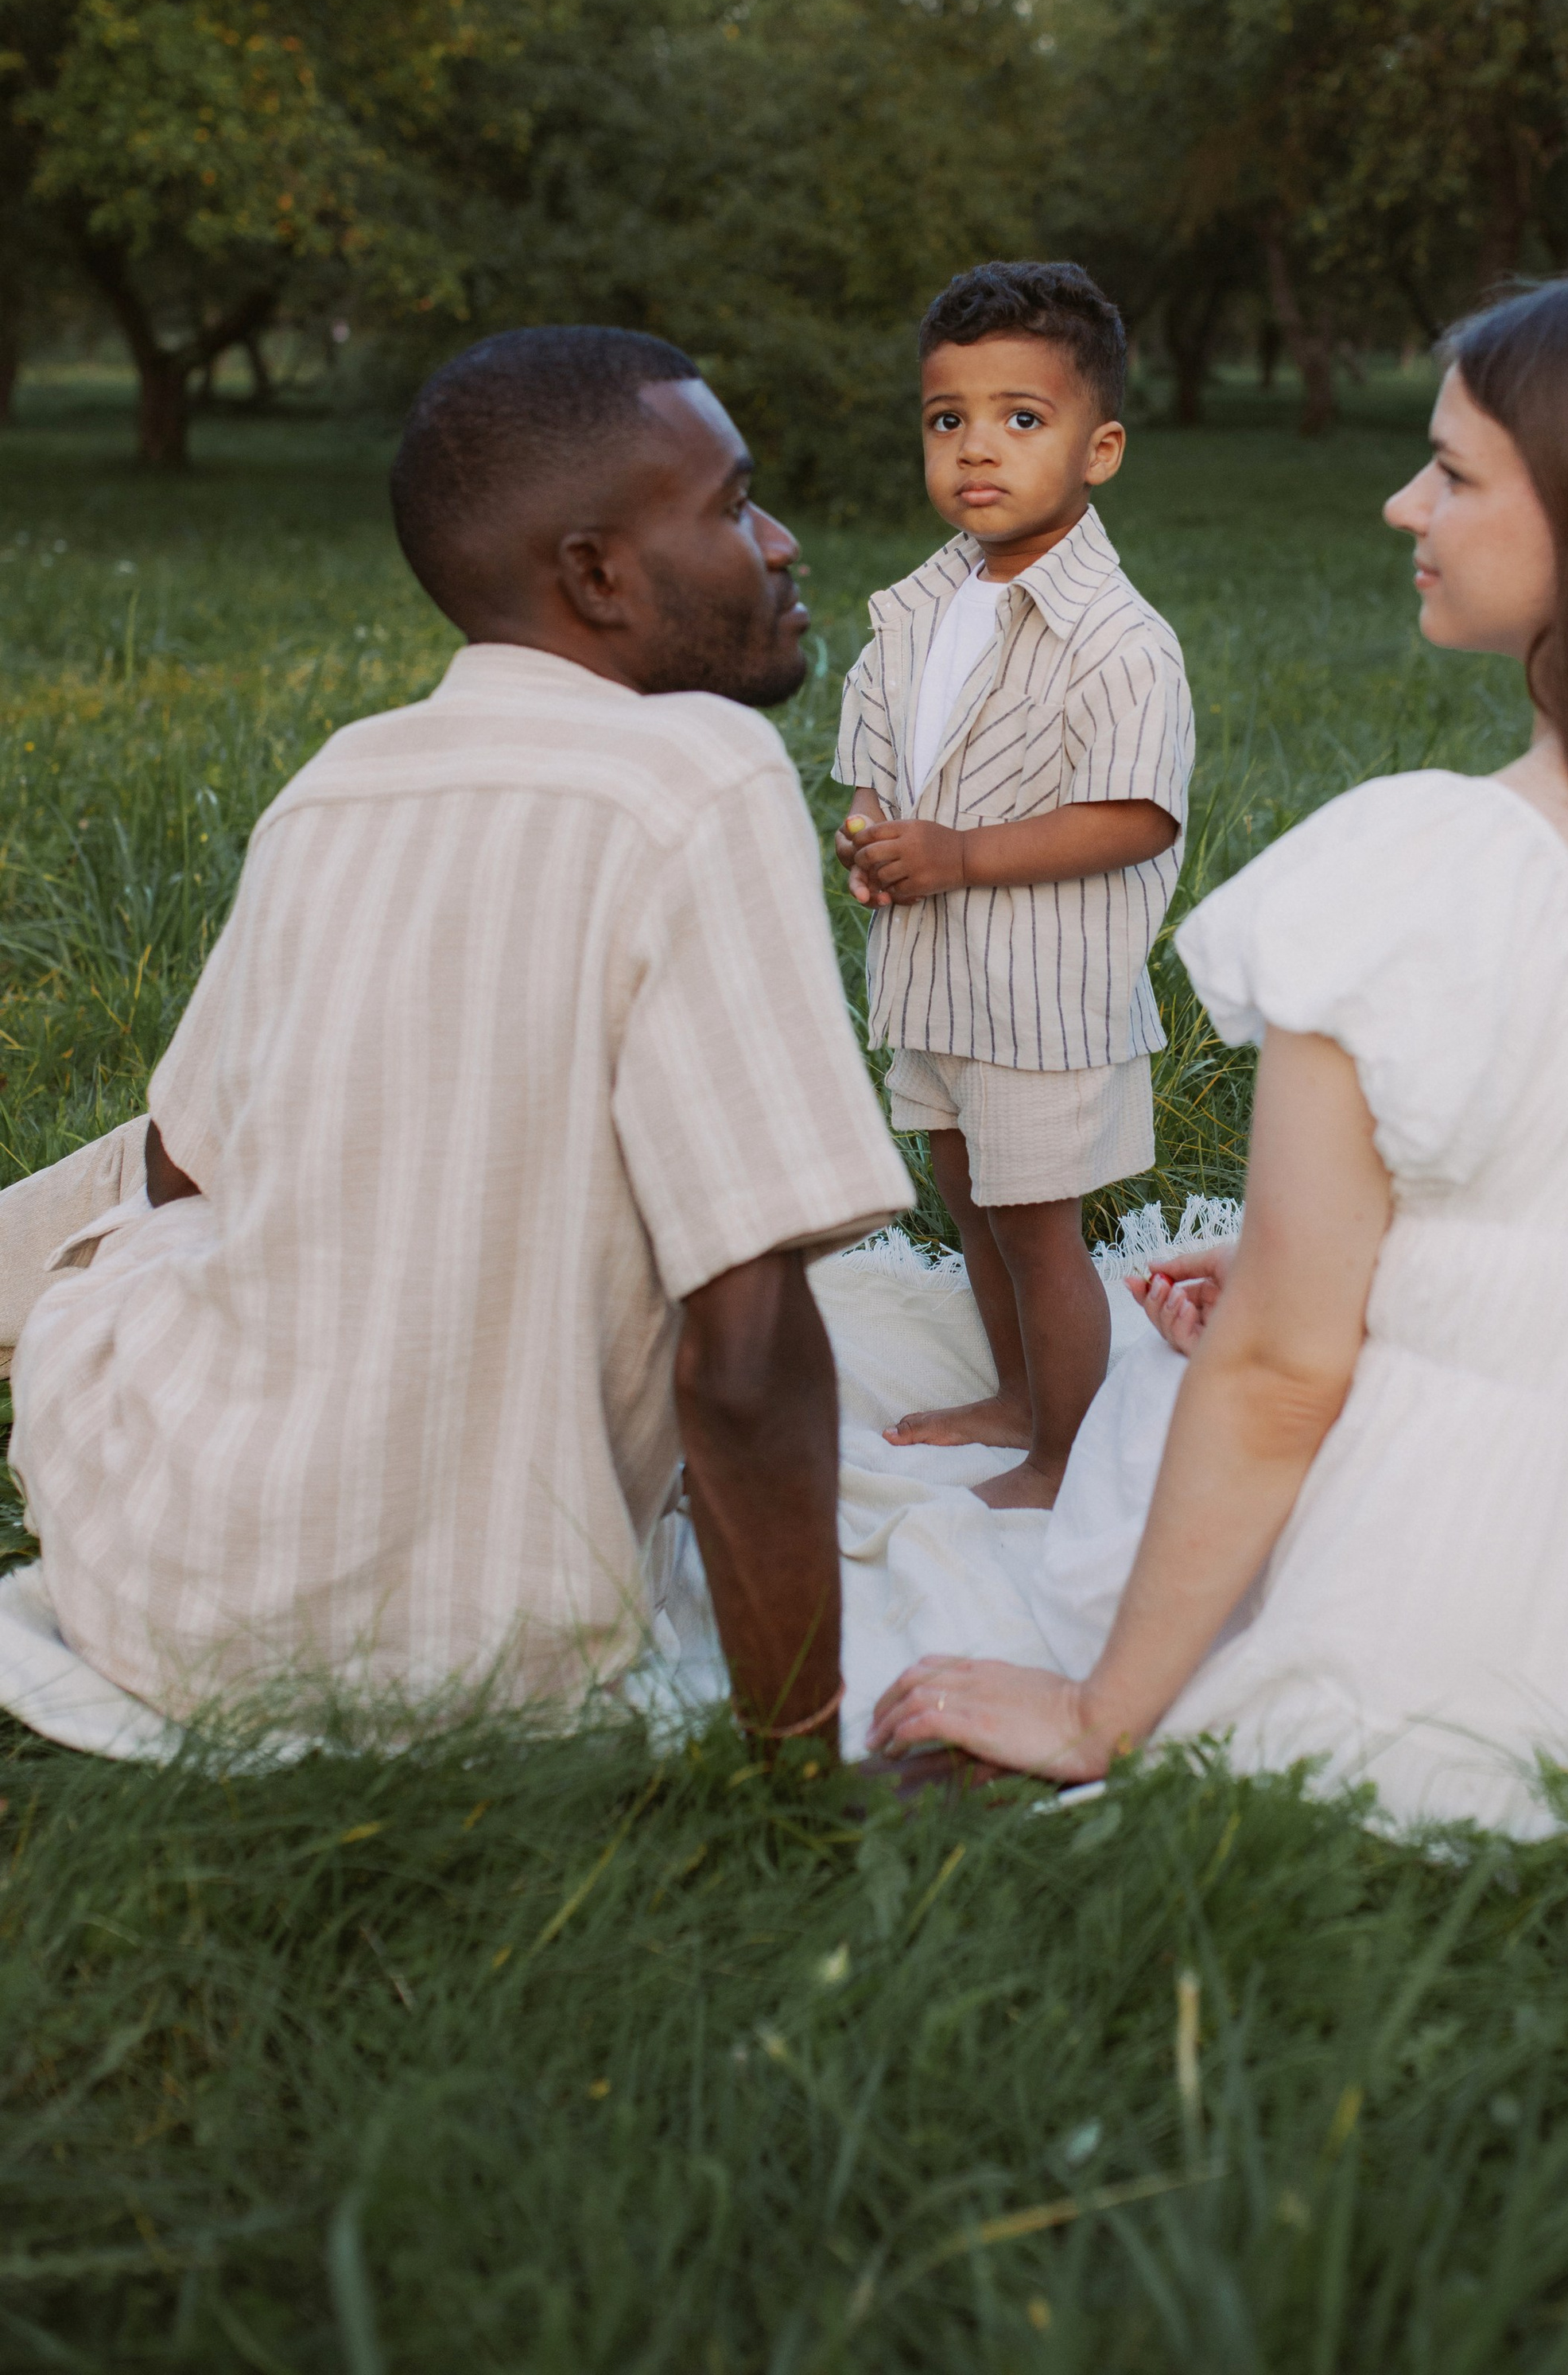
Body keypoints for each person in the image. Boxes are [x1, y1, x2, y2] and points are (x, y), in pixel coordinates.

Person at [857, 273, 1568, 1833]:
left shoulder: (1423, 877)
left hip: (1471, 1595)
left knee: (1177, 1388)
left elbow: (1278, 1377)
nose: (1405, 506)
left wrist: (1096, 1710)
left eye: (1455, 473)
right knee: (1202, 1327)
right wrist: (1363, 1294)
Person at [1, 328, 911, 1749]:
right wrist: (804, 1754)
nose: (782, 543)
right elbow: (745, 1348)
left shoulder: (336, 781)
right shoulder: (705, 769)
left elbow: (185, 1172)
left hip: (170, 1582)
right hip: (507, 1641)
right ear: (596, 573)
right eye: (735, 505)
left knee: (126, 1214)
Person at [832, 262, 1195, 1510]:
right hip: (937, 983)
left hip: (1044, 998)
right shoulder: (917, 613)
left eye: (1021, 420)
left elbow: (1138, 814)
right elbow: (875, 765)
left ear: (1099, 450)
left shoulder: (1120, 639)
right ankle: (1015, 1394)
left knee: (1038, 1222)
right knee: (967, 1197)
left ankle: (1065, 1455)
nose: (978, 449)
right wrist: (872, 834)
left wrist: (965, 855)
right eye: (950, 420)